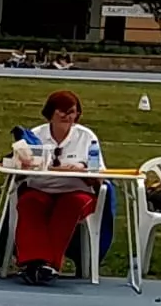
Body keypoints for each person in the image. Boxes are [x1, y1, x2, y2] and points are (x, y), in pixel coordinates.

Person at [12, 89, 105, 285]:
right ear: (50, 113)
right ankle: (34, 262)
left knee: (70, 205)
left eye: (71, 112)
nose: (66, 116)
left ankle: (48, 264)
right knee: (29, 203)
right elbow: (18, 172)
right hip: (41, 188)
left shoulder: (87, 137)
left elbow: (99, 172)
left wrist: (82, 168)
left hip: (76, 191)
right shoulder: (35, 135)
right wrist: (25, 163)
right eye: (61, 112)